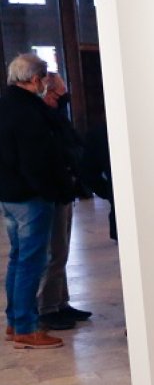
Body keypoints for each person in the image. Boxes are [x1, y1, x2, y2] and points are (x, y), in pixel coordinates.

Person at [0, 54, 73, 349]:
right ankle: (27, 328)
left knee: (18, 259)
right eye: (44, 78)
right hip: (30, 197)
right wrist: (49, 190)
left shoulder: (5, 105)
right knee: (32, 261)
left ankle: (14, 321)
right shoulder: (28, 111)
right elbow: (35, 160)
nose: (45, 84)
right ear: (34, 79)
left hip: (9, 194)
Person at [37, 73, 93, 331]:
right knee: (54, 251)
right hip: (52, 191)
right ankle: (47, 307)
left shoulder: (55, 119)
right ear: (47, 94)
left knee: (62, 250)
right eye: (60, 94)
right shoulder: (41, 119)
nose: (63, 98)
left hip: (65, 189)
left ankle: (60, 301)